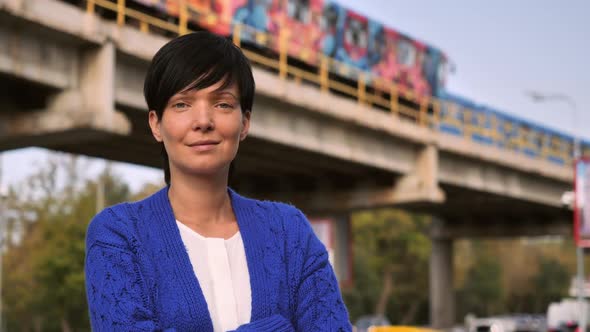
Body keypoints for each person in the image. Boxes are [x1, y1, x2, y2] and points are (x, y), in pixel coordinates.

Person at [84, 31, 352, 331]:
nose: (203, 121)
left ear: (245, 122)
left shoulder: (291, 232)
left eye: (222, 104)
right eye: (182, 104)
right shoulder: (118, 235)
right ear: (156, 124)